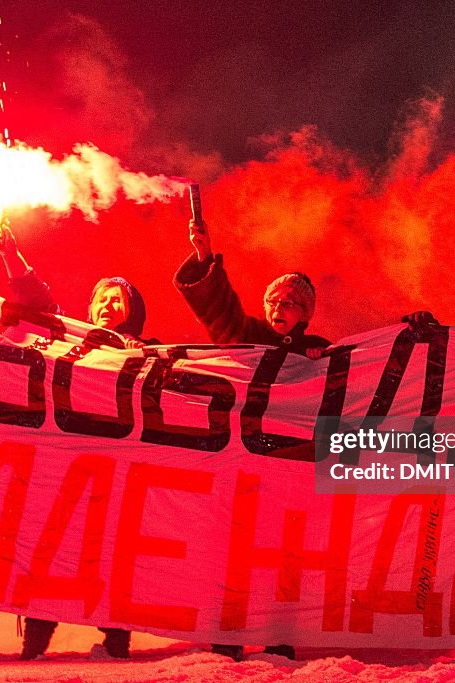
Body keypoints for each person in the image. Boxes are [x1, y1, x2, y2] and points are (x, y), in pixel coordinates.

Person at [174, 218, 327, 661]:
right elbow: (220, 309)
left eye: (294, 302)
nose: (282, 305)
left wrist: (321, 363)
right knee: (234, 553)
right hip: (242, 469)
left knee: (284, 556)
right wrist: (205, 258)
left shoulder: (321, 350)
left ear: (307, 315)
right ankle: (229, 633)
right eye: (276, 299)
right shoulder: (246, 339)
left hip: (290, 471)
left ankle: (279, 633)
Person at [0, 224, 145, 660]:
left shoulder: (152, 353)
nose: (107, 304)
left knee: (112, 554)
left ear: (132, 312)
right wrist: (11, 254)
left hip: (118, 471)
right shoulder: (69, 337)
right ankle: (36, 640)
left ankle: (116, 644)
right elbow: (35, 298)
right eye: (101, 297)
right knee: (49, 548)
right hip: (65, 466)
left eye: (118, 299)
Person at [173, 219, 330, 358]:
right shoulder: (248, 335)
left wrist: (322, 360)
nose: (277, 309)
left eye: (287, 303)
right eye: (272, 301)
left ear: (305, 313)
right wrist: (204, 255)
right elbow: (219, 311)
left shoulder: (317, 346)